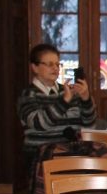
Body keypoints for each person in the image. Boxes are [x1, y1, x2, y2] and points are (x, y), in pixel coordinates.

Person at [18, 43, 97, 173]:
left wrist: (85, 99)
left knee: (102, 153)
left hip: (73, 152)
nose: (55, 68)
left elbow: (89, 123)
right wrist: (64, 101)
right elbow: (39, 123)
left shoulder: (67, 91)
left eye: (57, 64)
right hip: (41, 154)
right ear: (35, 67)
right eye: (49, 64)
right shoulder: (28, 95)